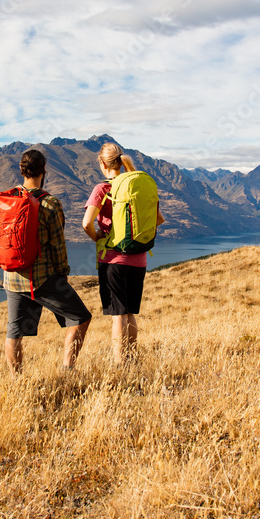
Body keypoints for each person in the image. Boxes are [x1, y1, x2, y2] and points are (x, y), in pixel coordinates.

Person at [0, 149, 91, 378]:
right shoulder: (50, 204)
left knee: (14, 332)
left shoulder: (5, 201)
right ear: (43, 171)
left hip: (12, 277)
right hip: (43, 279)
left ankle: (17, 381)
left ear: (21, 170)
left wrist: (14, 262)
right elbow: (58, 246)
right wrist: (63, 273)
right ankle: (67, 371)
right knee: (80, 318)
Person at [82, 142, 164, 363]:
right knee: (129, 313)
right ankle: (132, 359)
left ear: (102, 163)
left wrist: (98, 236)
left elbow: (86, 223)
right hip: (139, 259)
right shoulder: (136, 185)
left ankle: (120, 364)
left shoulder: (102, 188)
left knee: (118, 314)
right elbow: (159, 219)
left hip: (113, 259)